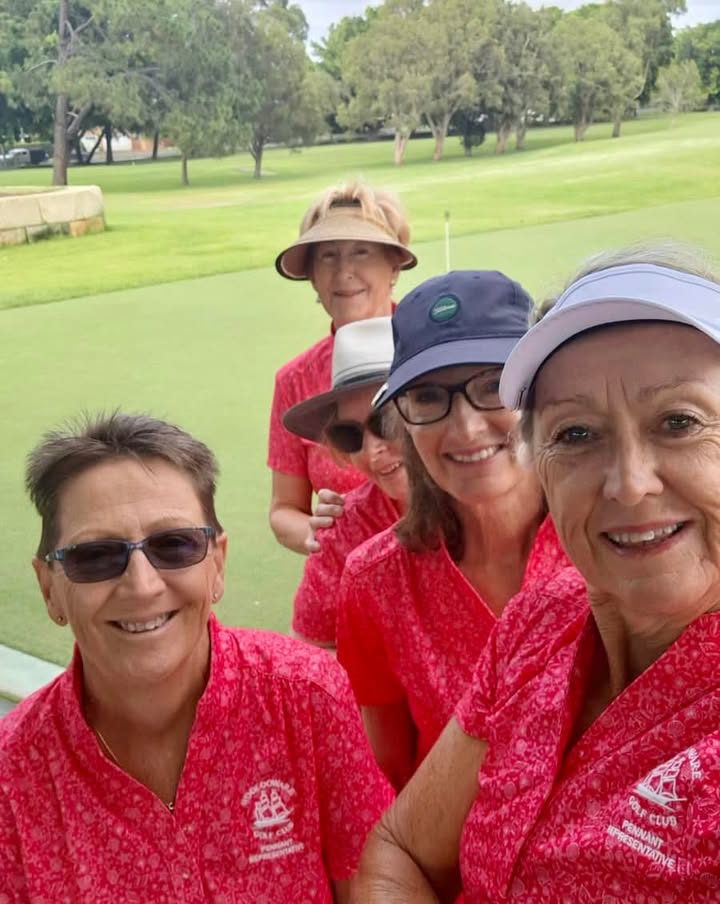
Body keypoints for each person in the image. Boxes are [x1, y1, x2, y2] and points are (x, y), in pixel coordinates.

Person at [354, 244, 720, 902]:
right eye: (577, 434)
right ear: (541, 463)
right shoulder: (537, 624)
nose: (630, 484)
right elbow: (401, 846)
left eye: (679, 422)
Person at [0, 412, 392, 903]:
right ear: (49, 589)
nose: (142, 585)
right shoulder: (12, 780)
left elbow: (371, 883)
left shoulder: (305, 697)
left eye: (175, 545)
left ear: (217, 564)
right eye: (95, 556)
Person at [336, 271, 570, 790]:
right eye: (428, 398)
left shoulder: (611, 542)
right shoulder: (376, 581)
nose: (465, 429)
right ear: (403, 421)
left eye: (493, 386)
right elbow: (389, 776)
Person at [268, 181, 417, 555]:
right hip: (342, 581)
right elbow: (285, 509)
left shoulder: (434, 353)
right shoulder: (295, 380)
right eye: (328, 256)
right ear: (313, 277)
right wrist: (319, 532)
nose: (344, 271)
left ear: (393, 266)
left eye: (362, 252)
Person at [283, 316, 408, 648]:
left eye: (387, 422)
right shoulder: (344, 527)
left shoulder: (498, 492)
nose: (371, 449)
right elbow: (310, 653)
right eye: (349, 435)